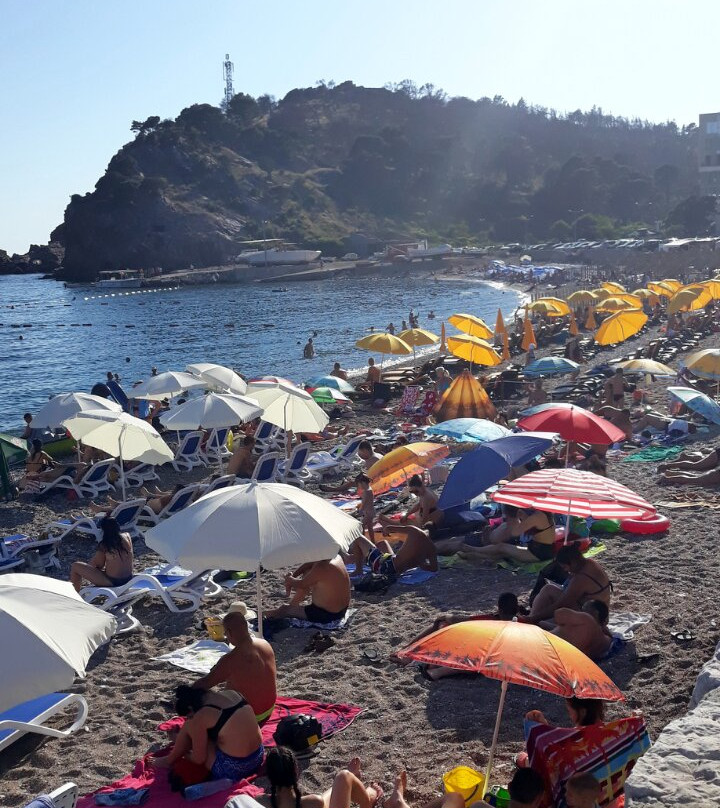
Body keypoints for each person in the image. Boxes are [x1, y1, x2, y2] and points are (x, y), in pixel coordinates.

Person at [151, 685, 264, 782]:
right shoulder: (233, 694)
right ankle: (179, 742)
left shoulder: (201, 716)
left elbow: (198, 759)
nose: (190, 718)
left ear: (190, 708)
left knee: (189, 726)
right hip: (258, 757)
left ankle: (169, 759)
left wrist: (184, 751)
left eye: (189, 715)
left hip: (236, 769)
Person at [192, 607, 277, 724]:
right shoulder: (264, 643)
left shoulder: (231, 659)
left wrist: (184, 693)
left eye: (226, 633)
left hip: (250, 716)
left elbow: (205, 683)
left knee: (206, 697)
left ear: (230, 632)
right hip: (269, 708)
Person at [251, 746, 382, 808]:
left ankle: (350, 781)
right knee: (343, 776)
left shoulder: (259, 801)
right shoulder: (313, 803)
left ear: (269, 777)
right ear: (296, 772)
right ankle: (367, 801)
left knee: (339, 784)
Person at [529, 543, 612, 625]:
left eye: (565, 567)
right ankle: (532, 617)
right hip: (600, 613)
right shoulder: (590, 563)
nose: (565, 571)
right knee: (549, 589)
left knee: (547, 593)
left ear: (572, 563)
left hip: (594, 619)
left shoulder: (581, 578)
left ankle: (531, 619)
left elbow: (561, 604)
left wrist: (534, 618)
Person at [265, 556, 351, 625]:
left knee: (284, 609)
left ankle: (259, 615)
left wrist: (289, 579)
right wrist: (294, 575)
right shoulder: (336, 557)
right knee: (307, 572)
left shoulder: (322, 567)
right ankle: (292, 606)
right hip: (342, 610)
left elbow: (302, 584)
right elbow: (308, 565)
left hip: (327, 614)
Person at [457, 507, 557, 565]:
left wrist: (515, 517)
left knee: (502, 547)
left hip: (537, 553)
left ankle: (473, 550)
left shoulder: (537, 516)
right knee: (502, 554)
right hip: (542, 550)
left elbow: (515, 533)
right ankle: (471, 555)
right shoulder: (546, 513)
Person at [352, 525, 438, 582]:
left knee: (358, 538)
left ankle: (358, 570)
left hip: (385, 567)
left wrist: (387, 529)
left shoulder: (415, 531)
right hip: (395, 568)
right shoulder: (432, 549)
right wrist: (420, 563)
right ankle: (365, 558)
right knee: (383, 543)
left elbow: (389, 528)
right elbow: (433, 568)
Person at [70, 516, 134, 590]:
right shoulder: (127, 536)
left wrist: (88, 570)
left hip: (114, 581)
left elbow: (96, 565)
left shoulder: (105, 545)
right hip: (129, 579)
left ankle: (76, 594)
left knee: (75, 566)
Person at [356, 473, 376, 542]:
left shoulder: (366, 492)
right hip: (371, 511)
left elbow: (364, 504)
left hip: (368, 513)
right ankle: (373, 541)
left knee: (361, 527)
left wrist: (360, 511)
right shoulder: (370, 489)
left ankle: (364, 541)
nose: (359, 486)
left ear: (363, 483)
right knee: (370, 528)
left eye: (359, 484)